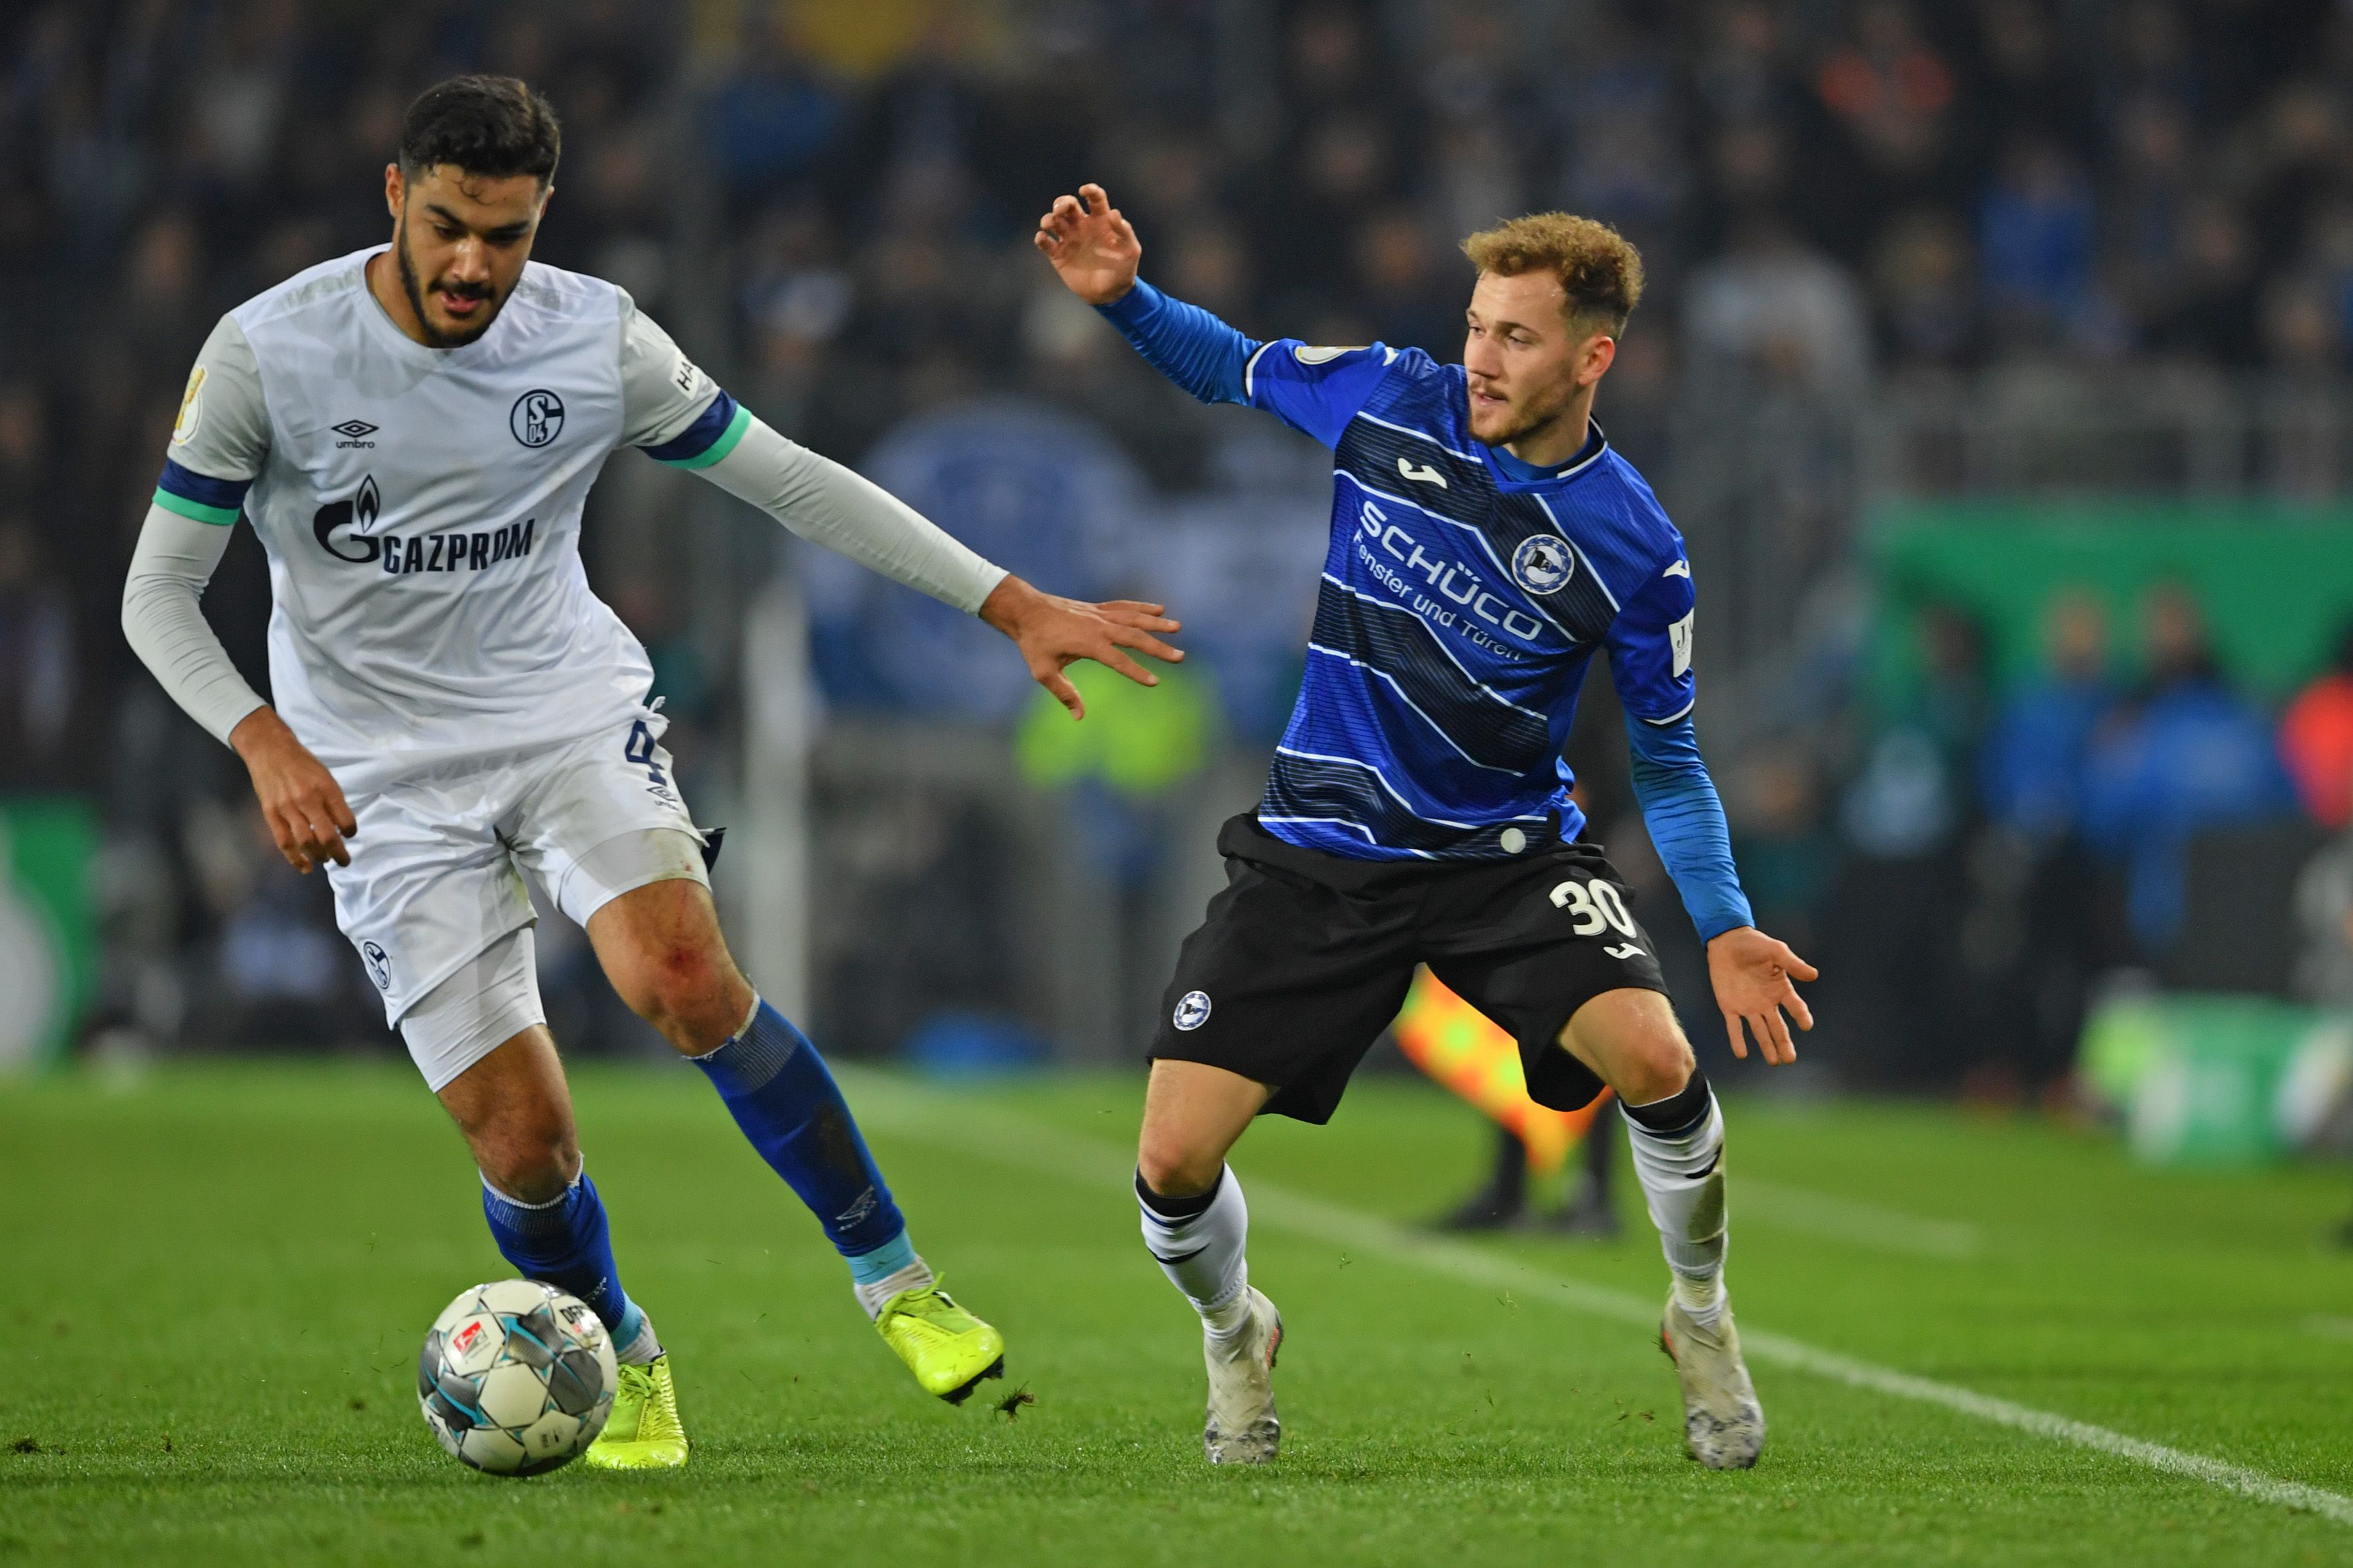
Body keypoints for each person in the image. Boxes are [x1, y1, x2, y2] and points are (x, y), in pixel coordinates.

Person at [122, 78, 1183, 1473]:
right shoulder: (271, 351)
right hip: (375, 773)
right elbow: (157, 593)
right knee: (524, 1147)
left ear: (543, 217)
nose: (472, 265)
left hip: (561, 712)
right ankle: (621, 1353)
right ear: (394, 196)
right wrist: (263, 741)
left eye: (506, 235)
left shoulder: (593, 336)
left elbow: (788, 478)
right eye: (446, 227)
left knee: (681, 975)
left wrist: (1008, 601)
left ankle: (897, 1281)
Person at [1035, 184, 1815, 1469]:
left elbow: (1669, 762)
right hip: (1318, 853)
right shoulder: (1392, 397)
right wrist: (1125, 300)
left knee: (1661, 1061)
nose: (1482, 359)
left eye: (1517, 337)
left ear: (1592, 358)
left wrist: (1726, 926)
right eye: (1476, 327)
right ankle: (1236, 1331)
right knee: (1170, 1164)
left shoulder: (1638, 546)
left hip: (1502, 859)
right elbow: (1232, 364)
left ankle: (1700, 1314)